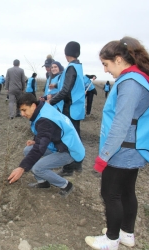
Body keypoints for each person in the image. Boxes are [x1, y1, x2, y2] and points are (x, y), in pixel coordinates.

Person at [85, 36, 149, 250]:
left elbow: (120, 124)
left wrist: (104, 156)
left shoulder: (129, 83)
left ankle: (111, 240)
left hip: (122, 150)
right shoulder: (137, 79)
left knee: (110, 193)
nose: (106, 70)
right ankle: (126, 234)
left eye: (106, 64)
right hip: (131, 149)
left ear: (118, 59)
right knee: (127, 192)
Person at [7, 93, 85, 197]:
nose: (22, 114)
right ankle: (43, 182)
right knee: (27, 150)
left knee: (38, 168)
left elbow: (40, 147)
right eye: (20, 111)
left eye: (24, 110)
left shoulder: (44, 119)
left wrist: (22, 168)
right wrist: (36, 140)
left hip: (69, 150)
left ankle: (66, 185)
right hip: (58, 144)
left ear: (33, 106)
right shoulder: (42, 107)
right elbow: (46, 132)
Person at [49, 41, 85, 176]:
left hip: (70, 107)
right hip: (77, 106)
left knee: (69, 137)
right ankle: (77, 165)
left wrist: (50, 102)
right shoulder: (78, 66)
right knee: (75, 136)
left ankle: (69, 168)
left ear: (66, 54)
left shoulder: (71, 68)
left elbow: (65, 90)